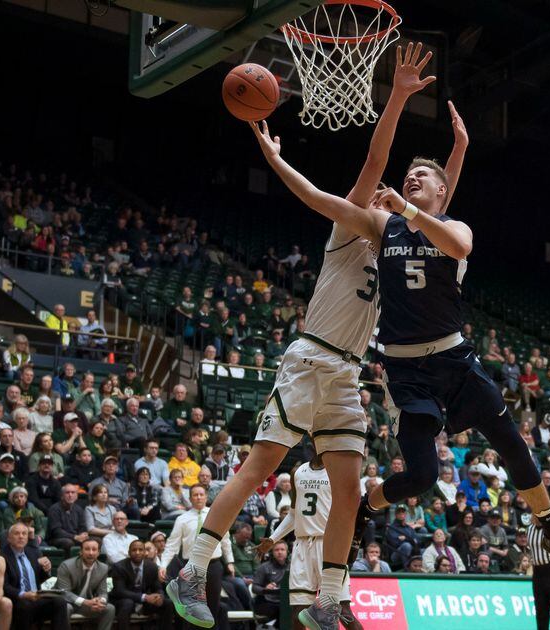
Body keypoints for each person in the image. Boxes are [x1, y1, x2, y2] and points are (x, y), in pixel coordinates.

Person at [169, 42, 448, 630]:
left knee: (349, 489)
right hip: (312, 357)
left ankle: (326, 600)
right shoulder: (351, 231)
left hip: (346, 371)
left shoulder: (401, 246)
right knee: (261, 464)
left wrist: (459, 152)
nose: (380, 193)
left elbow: (441, 209)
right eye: (376, 192)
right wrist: (395, 97)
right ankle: (191, 571)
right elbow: (375, 160)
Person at [357, 115, 550, 592]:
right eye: (408, 175)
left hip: (454, 359)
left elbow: (456, 239)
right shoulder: (387, 227)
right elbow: (372, 178)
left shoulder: (452, 227)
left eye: (424, 176)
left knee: (509, 438)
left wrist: (424, 189)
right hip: (405, 369)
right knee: (422, 476)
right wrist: (450, 153)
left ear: (442, 192)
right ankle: (367, 506)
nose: (412, 177)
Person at [255, 456, 363, 630]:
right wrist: (273, 538)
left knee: (343, 611)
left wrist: (351, 542)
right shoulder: (297, 472)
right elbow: (293, 513)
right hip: (302, 546)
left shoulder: (338, 470)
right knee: (298, 614)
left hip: (330, 545)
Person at [160, 485, 232, 630]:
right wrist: (163, 564)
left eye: (201, 494)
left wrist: (230, 561)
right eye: (195, 495)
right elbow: (172, 544)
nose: (198, 497)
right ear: (190, 498)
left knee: (212, 606)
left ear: (206, 496)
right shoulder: (182, 519)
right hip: (191, 566)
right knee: (191, 608)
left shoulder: (217, 515)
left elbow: (225, 541)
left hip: (214, 565)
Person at [1, 522, 69, 630]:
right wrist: (24, 594)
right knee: (25, 606)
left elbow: (42, 578)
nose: (21, 536)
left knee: (60, 602)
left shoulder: (33, 553)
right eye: (17, 533)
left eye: (24, 534)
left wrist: (47, 569)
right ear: (9, 538)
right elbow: (4, 586)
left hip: (36, 597)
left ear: (28, 538)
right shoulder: (3, 557)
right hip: (17, 599)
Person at [56, 538, 115, 630]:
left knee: (109, 608)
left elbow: (103, 592)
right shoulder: (66, 566)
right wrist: (86, 602)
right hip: (68, 602)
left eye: (94, 549)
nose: (91, 553)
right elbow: (64, 592)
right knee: (65, 608)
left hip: (88, 604)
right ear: (81, 552)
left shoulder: (103, 568)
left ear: (99, 552)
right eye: (87, 549)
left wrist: (100, 601)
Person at [110, 539, 168, 630]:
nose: (137, 552)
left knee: (168, 603)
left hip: (145, 603)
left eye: (140, 550)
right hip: (124, 600)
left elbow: (158, 587)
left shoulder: (152, 566)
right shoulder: (119, 567)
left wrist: (160, 596)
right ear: (129, 552)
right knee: (127, 603)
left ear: (145, 552)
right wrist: (145, 597)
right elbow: (120, 591)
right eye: (134, 550)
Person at [250, 542, 287, 625]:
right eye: (276, 550)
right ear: (272, 553)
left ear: (287, 552)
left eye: (282, 549)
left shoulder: (292, 567)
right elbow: (254, 587)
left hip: (285, 601)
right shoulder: (264, 567)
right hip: (266, 602)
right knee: (282, 610)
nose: (279, 552)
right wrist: (265, 589)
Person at [46, 483, 87, 550]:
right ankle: (68, 561)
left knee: (94, 540)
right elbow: (57, 531)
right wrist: (74, 537)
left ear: (76, 496)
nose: (70, 495)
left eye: (73, 492)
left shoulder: (79, 509)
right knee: (68, 542)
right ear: (62, 496)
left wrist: (82, 535)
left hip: (76, 537)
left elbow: (82, 527)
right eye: (67, 493)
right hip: (56, 539)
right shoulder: (54, 509)